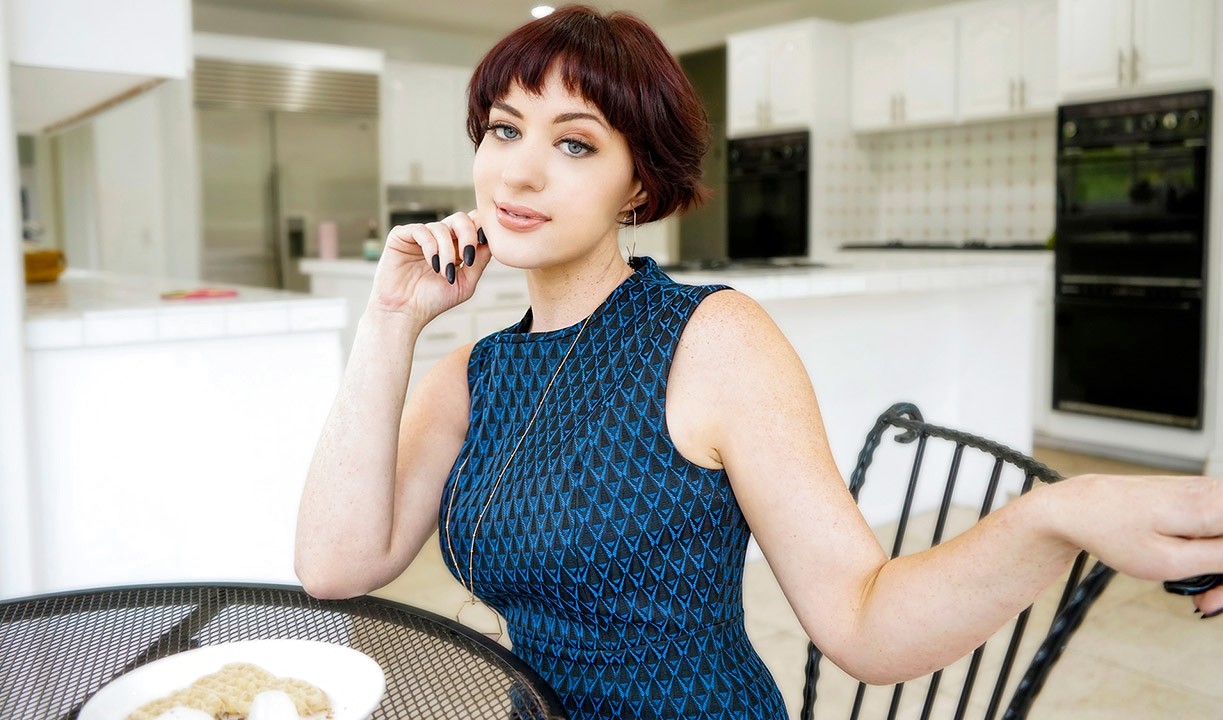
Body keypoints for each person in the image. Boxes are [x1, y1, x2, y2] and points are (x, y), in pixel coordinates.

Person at [294, 5, 1223, 719]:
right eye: (504, 129)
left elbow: (864, 620)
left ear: (638, 185)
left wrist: (1056, 514)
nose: (519, 171)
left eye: (574, 142)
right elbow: (334, 567)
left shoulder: (710, 339)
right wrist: (389, 322)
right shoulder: (470, 375)